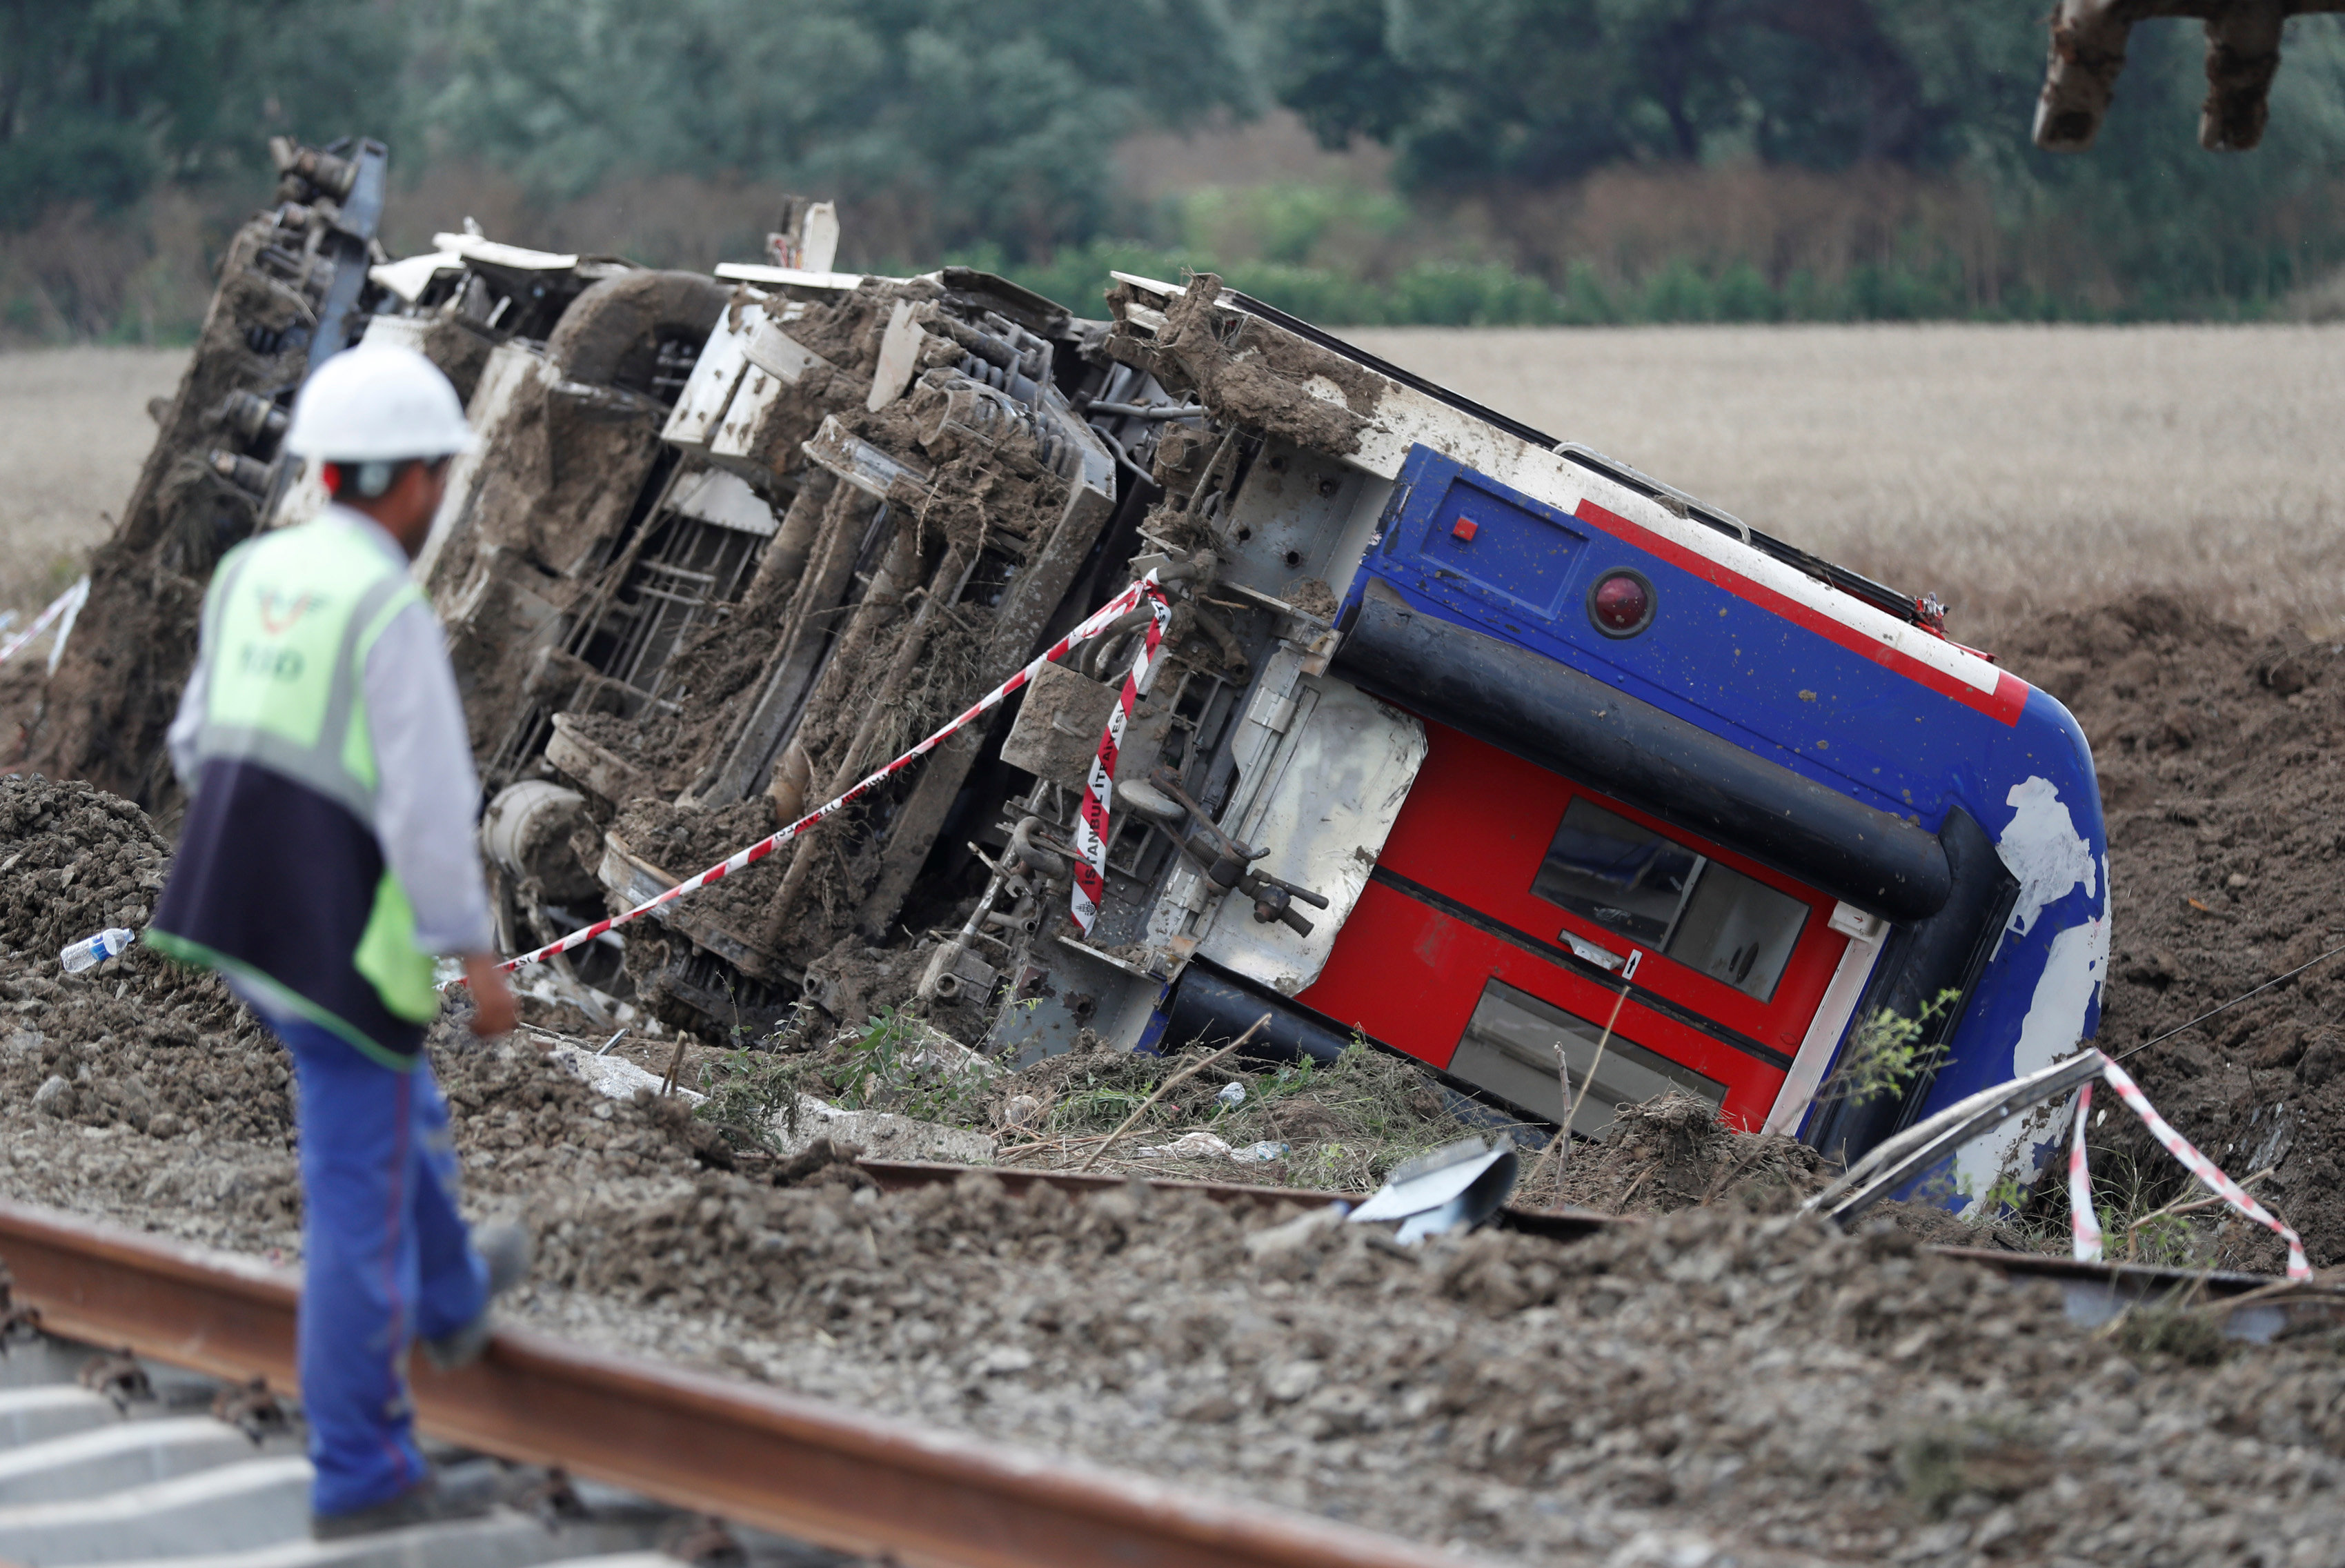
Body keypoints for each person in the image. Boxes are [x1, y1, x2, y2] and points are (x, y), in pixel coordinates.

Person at [149, 341, 529, 1539]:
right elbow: (427, 813)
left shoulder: (252, 571)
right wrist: (477, 960)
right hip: (333, 944)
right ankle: (361, 1471)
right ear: (416, 482)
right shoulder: (388, 608)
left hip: (233, 914)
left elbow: (196, 743)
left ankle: (454, 1296)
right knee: (354, 1203)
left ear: (320, 469)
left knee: (389, 1102)